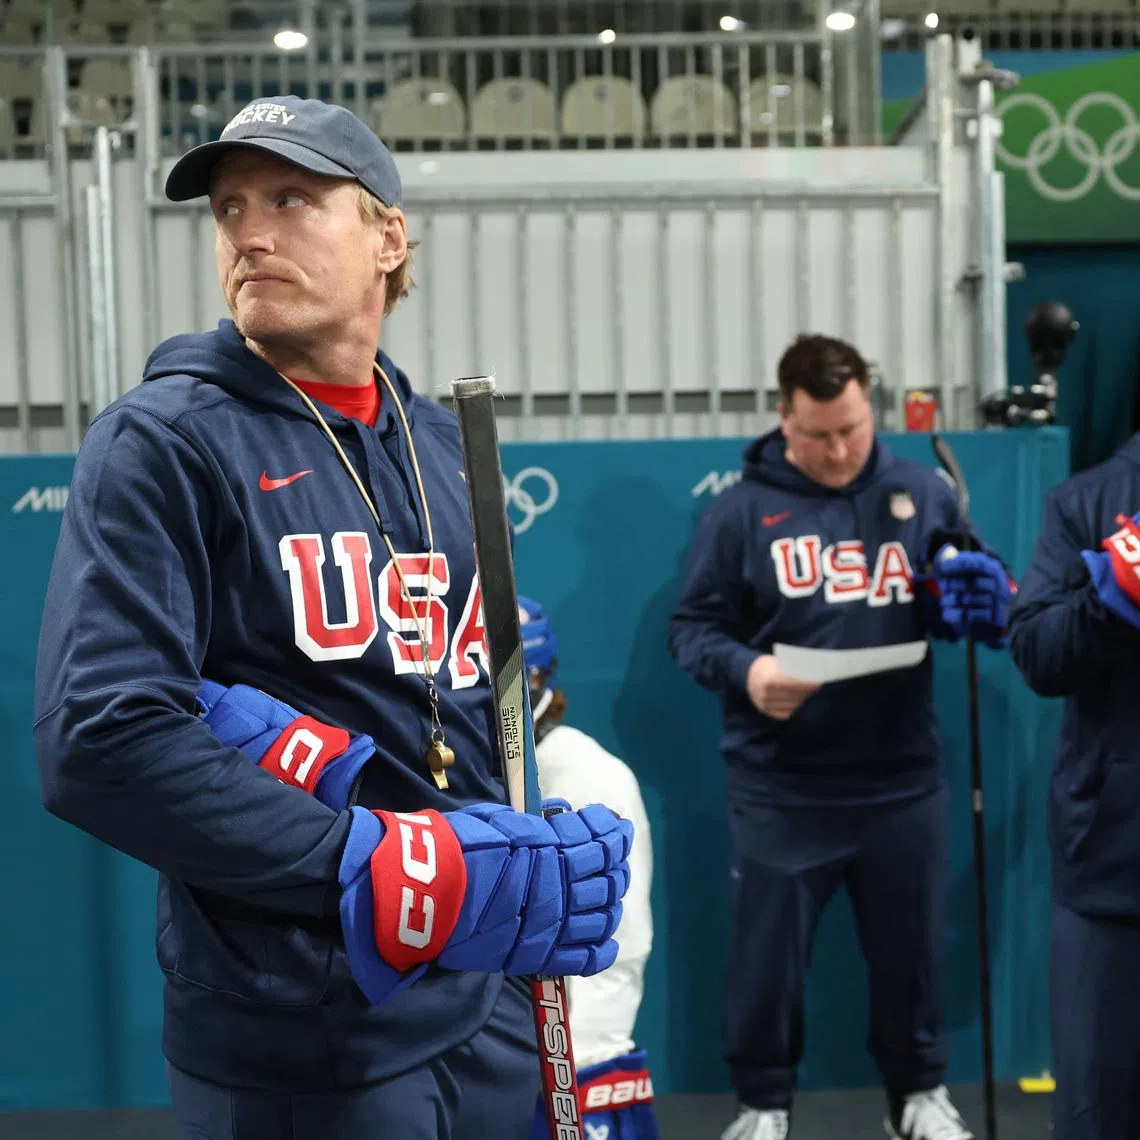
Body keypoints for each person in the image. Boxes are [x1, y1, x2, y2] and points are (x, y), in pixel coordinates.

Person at [33, 95, 632, 1140]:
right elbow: (102, 739)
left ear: (387, 236)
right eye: (229, 210)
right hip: (299, 1025)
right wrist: (373, 864)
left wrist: (527, 860)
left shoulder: (443, 441)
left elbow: (457, 721)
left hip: (481, 995)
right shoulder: (163, 441)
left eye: (293, 199)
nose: (249, 234)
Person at [668, 334, 1013, 1140]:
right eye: (819, 433)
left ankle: (918, 1096)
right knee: (767, 965)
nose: (839, 450)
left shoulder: (922, 491)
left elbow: (977, 587)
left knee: (914, 956)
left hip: (901, 777)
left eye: (853, 429)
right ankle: (763, 1105)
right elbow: (693, 629)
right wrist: (750, 674)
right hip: (782, 786)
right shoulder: (741, 511)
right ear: (784, 416)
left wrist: (976, 591)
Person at [1007, 434, 1140, 1140]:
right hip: (1112, 881)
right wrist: (1113, 599)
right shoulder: (1088, 501)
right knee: (1096, 1118)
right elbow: (1036, 652)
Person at [518, 596, 660, 1140]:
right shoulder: (448, 762)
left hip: (560, 1066)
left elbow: (617, 947)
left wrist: (580, 1070)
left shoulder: (589, 777)